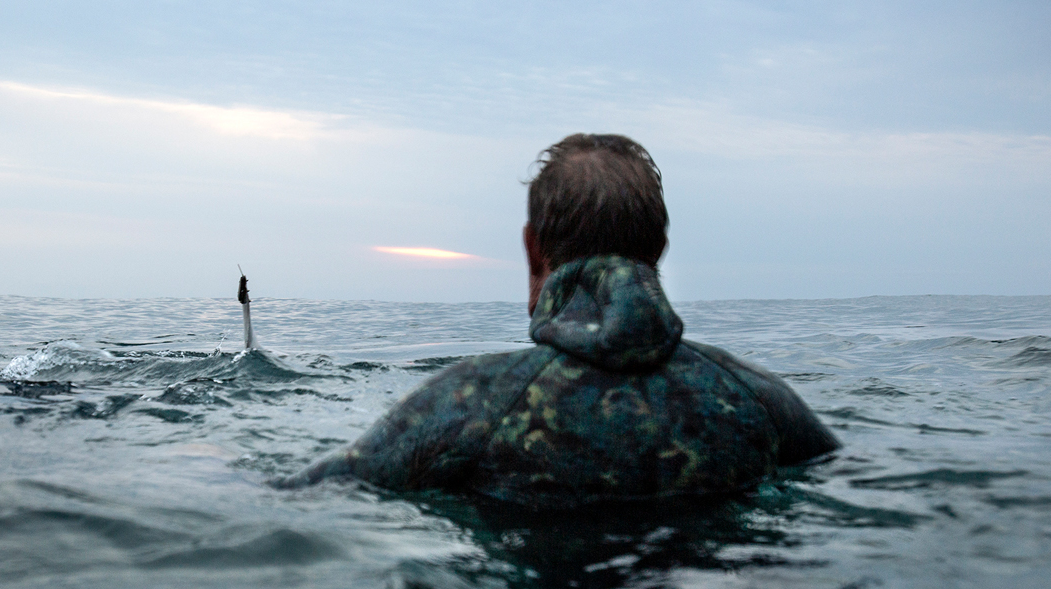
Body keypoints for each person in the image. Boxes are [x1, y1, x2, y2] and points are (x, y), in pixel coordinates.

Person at [287, 133, 839, 507]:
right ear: (660, 250)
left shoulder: (469, 402)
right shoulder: (764, 403)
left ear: (533, 252)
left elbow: (317, 492)